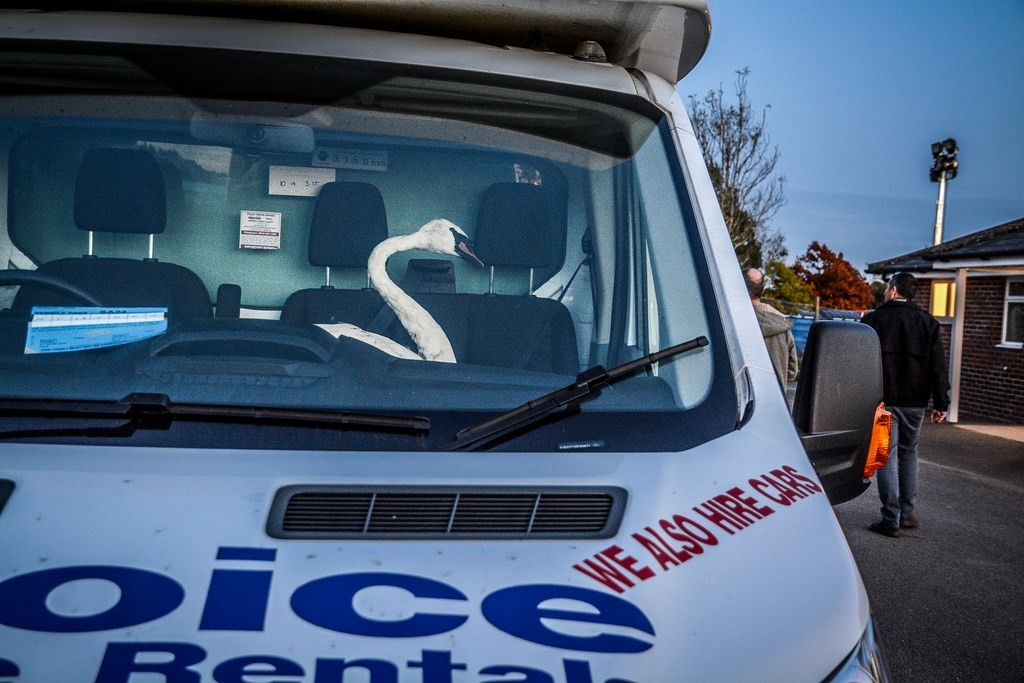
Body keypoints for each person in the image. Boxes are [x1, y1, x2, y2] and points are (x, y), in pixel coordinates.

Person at [860, 272, 950, 538]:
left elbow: (862, 362)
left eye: (888, 287)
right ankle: (907, 513)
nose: (886, 291)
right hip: (915, 402)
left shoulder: (874, 320)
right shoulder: (928, 323)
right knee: (909, 453)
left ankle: (890, 518)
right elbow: (938, 367)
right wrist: (941, 402)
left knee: (886, 457)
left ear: (895, 290)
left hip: (884, 401)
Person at [743, 267, 798, 389]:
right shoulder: (781, 322)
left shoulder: (732, 320)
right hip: (775, 399)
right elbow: (792, 371)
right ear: (762, 289)